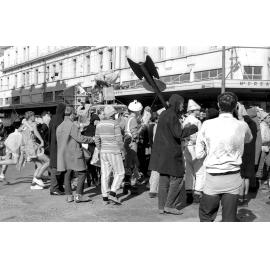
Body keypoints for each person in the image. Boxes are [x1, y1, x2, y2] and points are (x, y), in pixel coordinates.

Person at [196, 92, 253, 222]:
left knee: (206, 216)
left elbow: (199, 154)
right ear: (235, 107)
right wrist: (240, 118)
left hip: (212, 177)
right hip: (233, 177)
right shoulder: (242, 125)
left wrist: (208, 152)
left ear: (218, 105)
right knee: (229, 217)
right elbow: (249, 139)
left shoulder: (206, 124)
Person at [149, 94, 198, 215]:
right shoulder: (172, 115)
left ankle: (161, 206)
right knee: (178, 177)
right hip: (170, 152)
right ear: (177, 103)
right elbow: (178, 133)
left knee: (164, 179)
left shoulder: (165, 114)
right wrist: (192, 128)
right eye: (181, 103)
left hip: (162, 152)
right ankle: (169, 205)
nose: (182, 106)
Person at [56, 106, 94, 203]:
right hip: (74, 153)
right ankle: (78, 195)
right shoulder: (72, 125)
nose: (75, 116)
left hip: (63, 154)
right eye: (75, 114)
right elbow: (80, 138)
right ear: (72, 114)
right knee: (82, 172)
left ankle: (69, 195)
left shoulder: (59, 126)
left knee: (67, 174)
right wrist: (92, 139)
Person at [95, 105, 125, 204]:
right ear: (113, 114)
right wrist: (123, 150)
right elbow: (119, 140)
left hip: (103, 151)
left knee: (105, 174)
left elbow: (97, 139)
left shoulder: (99, 124)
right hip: (114, 151)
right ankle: (112, 193)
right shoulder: (115, 124)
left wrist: (100, 149)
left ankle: (105, 196)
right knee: (120, 172)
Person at [21, 111, 50, 190]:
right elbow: (36, 132)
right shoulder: (33, 124)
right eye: (34, 116)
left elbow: (20, 131)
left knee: (39, 165)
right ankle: (37, 178)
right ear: (31, 117)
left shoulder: (24, 124)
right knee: (48, 161)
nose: (35, 117)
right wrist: (42, 141)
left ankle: (34, 184)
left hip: (27, 148)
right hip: (33, 146)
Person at [183, 99, 204, 204]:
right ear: (193, 110)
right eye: (197, 110)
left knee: (188, 172)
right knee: (200, 172)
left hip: (187, 147)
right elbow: (200, 137)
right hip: (195, 147)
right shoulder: (197, 121)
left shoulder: (185, 120)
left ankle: (188, 194)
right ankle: (197, 194)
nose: (199, 112)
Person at [237, 103, 257, 206]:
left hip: (242, 151)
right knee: (247, 177)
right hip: (251, 152)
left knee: (241, 176)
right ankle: (246, 199)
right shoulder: (253, 124)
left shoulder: (239, 123)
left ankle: (240, 199)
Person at [123, 100, 143, 195]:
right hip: (132, 143)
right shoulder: (134, 119)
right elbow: (134, 134)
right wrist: (140, 129)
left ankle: (126, 186)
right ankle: (133, 185)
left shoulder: (127, 118)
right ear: (137, 111)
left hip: (127, 143)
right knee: (134, 164)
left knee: (127, 165)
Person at [48, 103, 66, 195]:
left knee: (57, 166)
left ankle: (59, 187)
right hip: (58, 146)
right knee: (56, 167)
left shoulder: (53, 119)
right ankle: (54, 188)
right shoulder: (60, 119)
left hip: (53, 145)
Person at [82, 113, 100, 187]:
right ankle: (93, 180)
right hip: (92, 149)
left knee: (92, 166)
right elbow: (88, 138)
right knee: (92, 165)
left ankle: (93, 180)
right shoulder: (91, 128)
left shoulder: (93, 127)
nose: (98, 122)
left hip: (92, 149)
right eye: (96, 120)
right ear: (93, 120)